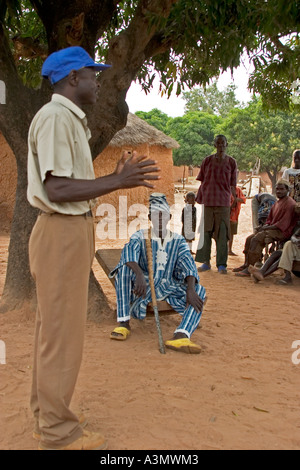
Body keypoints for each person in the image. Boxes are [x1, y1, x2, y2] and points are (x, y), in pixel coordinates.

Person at [27, 46, 160, 450]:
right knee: (61, 334)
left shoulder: (67, 120)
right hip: (61, 233)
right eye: (91, 74)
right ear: (72, 78)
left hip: (68, 232)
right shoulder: (54, 118)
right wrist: (118, 183)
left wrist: (114, 178)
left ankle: (47, 413)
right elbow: (58, 188)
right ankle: (57, 432)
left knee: (53, 330)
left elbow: (68, 184)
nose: (96, 81)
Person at [109, 193, 206, 354]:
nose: (159, 218)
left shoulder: (178, 240)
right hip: (144, 287)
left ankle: (182, 334)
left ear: (169, 217)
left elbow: (188, 263)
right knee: (124, 269)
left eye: (163, 215)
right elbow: (128, 255)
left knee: (199, 289)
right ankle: (123, 323)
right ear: (149, 217)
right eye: (155, 215)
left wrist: (190, 289)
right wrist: (139, 274)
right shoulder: (140, 236)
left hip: (168, 286)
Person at [234, 180, 298, 277]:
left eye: (282, 189)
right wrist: (263, 226)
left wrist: (265, 228)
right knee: (249, 238)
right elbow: (269, 219)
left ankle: (250, 267)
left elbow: (283, 224)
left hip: (282, 232)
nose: (279, 191)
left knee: (257, 238)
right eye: (277, 189)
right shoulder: (277, 203)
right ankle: (246, 264)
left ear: (287, 190)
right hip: (273, 229)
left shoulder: (290, 204)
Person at [195, 135, 237, 274]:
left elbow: (233, 184)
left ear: (226, 144)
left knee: (223, 233)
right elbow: (202, 181)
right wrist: (201, 197)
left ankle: (221, 265)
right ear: (214, 145)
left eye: (223, 143)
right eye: (218, 143)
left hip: (224, 202)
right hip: (209, 201)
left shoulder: (231, 162)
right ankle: (206, 262)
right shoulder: (207, 161)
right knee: (206, 232)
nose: (220, 146)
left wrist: (234, 199)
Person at [229, 182, 246, 256]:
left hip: (234, 216)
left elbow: (243, 199)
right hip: (225, 215)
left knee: (231, 233)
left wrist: (235, 199)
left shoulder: (238, 190)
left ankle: (229, 249)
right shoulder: (225, 188)